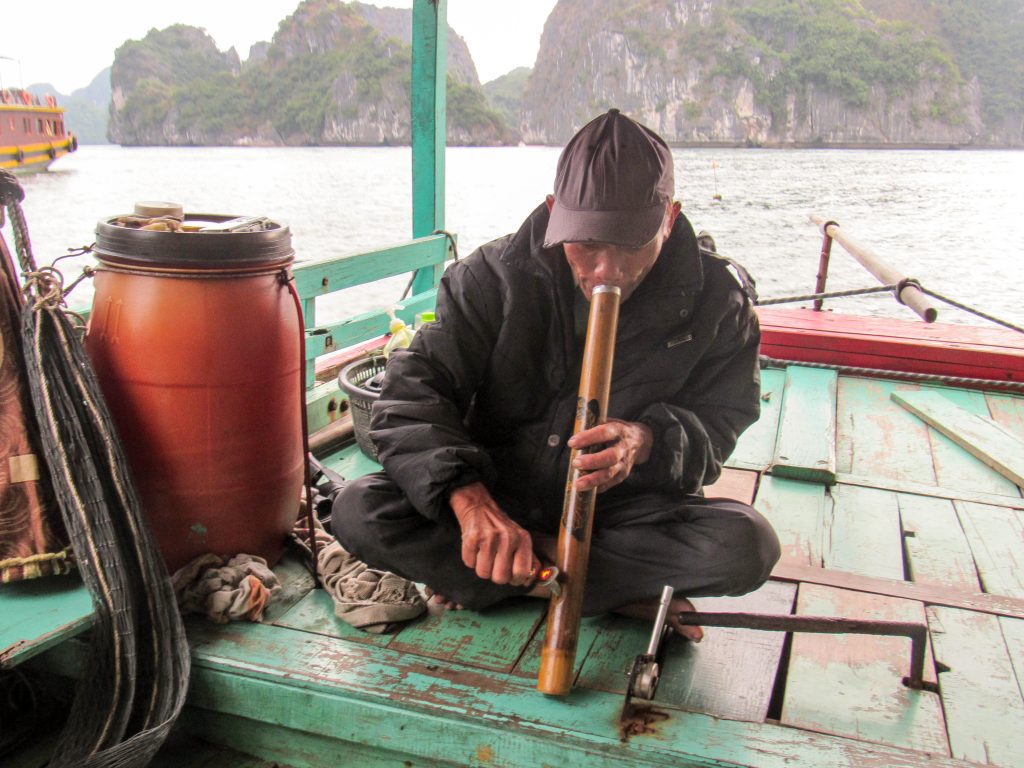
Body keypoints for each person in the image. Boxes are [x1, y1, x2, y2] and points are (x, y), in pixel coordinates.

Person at [333, 109, 780, 640]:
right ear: (553, 214)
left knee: (747, 545)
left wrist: (645, 441)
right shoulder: (491, 276)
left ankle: (506, 578)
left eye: (631, 244)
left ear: (669, 218)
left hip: (623, 512)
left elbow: (721, 422)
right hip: (499, 497)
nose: (605, 271)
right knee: (359, 509)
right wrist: (470, 502)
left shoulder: (719, 301)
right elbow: (410, 394)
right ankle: (601, 587)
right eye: (586, 244)